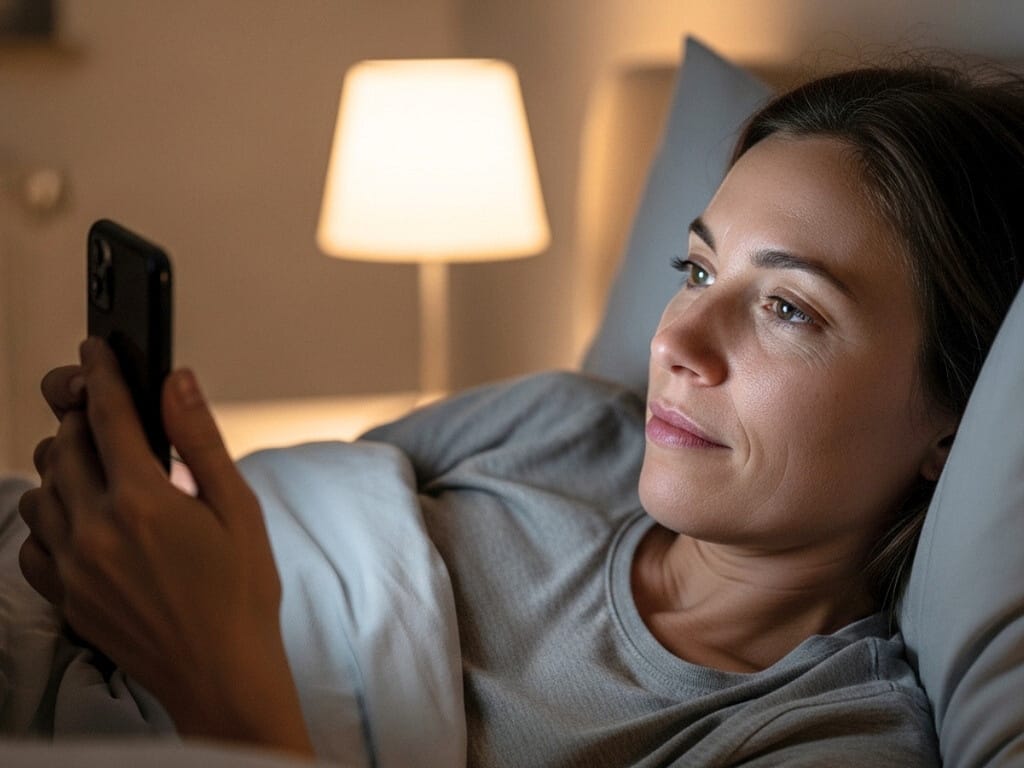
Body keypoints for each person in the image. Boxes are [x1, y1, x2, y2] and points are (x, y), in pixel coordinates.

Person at [15, 61, 1024, 765]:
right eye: (697, 270)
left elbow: (221, 625)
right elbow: (264, 538)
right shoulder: (558, 421)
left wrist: (212, 674)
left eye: (788, 308)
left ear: (955, 422)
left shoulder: (818, 740)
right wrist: (115, 547)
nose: (675, 343)